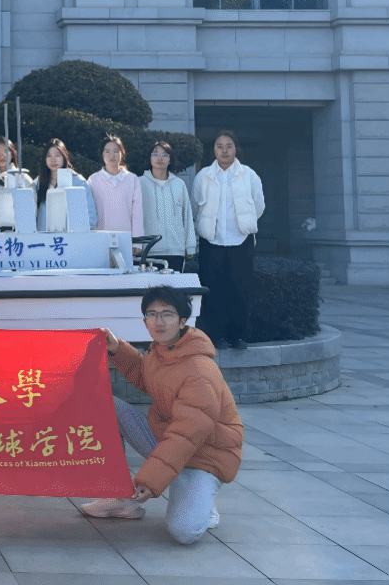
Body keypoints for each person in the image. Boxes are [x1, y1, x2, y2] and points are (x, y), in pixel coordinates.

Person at [80, 285, 243, 546]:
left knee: (183, 532)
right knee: (106, 406)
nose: (159, 321)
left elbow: (187, 433)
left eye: (167, 314)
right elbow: (147, 376)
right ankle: (121, 498)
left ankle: (202, 502)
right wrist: (116, 348)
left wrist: (151, 480)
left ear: (182, 321)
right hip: (169, 439)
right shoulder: (162, 351)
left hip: (204, 455)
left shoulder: (199, 370)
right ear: (145, 320)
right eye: (152, 314)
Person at [192, 131, 265, 350]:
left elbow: (259, 205)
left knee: (240, 290)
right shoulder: (203, 176)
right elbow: (196, 206)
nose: (224, 151)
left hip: (240, 240)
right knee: (213, 290)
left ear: (236, 149)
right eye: (219, 146)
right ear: (213, 150)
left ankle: (238, 336)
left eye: (229, 146)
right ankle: (216, 336)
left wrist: (244, 224)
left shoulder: (249, 175)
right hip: (211, 241)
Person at [141, 141, 196, 271]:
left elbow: (187, 216)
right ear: (150, 158)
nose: (160, 158)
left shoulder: (179, 184)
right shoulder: (139, 183)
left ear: (170, 160)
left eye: (165, 155)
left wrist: (190, 246)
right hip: (149, 251)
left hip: (176, 251)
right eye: (155, 154)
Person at [87, 135, 144, 243]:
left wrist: (137, 243)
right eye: (107, 151)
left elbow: (137, 214)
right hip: (100, 240)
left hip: (126, 240)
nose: (111, 155)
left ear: (122, 153)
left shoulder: (132, 179)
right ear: (102, 155)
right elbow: (88, 213)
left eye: (116, 151)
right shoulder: (93, 180)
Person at [35, 138, 98, 231]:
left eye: (57, 155)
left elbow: (91, 219)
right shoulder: (38, 183)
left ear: (64, 157)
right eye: (49, 156)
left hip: (70, 238)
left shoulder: (78, 182)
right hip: (44, 238)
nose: (53, 160)